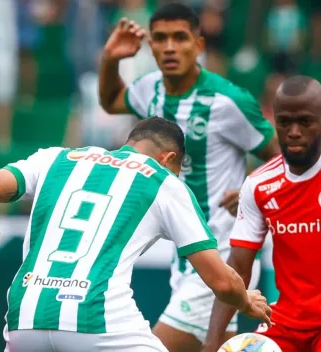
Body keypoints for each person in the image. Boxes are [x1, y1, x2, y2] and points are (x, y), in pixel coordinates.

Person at [0, 117, 272, 352]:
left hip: (24, 320)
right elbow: (222, 283)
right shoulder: (163, 181)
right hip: (97, 321)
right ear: (169, 159)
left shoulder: (57, 158)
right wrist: (246, 301)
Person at [98, 3, 280, 349]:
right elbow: (110, 101)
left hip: (223, 253)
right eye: (161, 38)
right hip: (184, 256)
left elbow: (282, 156)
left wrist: (249, 186)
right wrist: (110, 59)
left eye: (179, 37)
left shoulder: (228, 100)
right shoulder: (150, 89)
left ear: (198, 45)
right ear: (150, 46)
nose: (169, 47)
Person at [202, 76, 321, 352]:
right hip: (286, 323)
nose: (293, 131)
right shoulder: (259, 185)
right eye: (284, 122)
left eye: (305, 122)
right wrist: (211, 342)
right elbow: (239, 268)